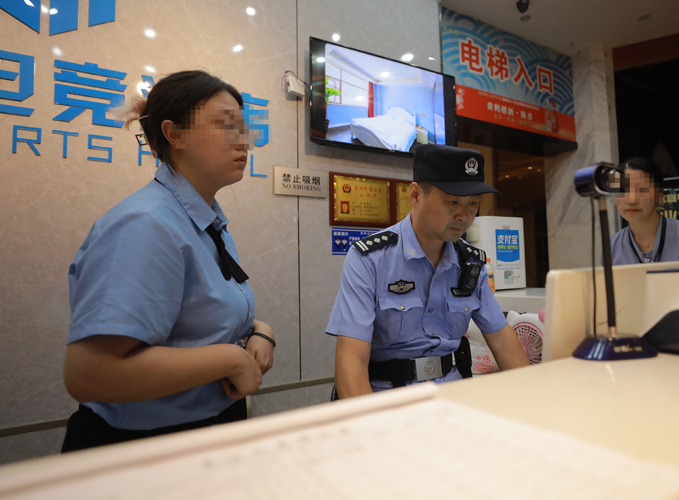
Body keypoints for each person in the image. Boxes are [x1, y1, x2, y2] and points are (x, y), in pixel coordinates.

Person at [62, 70, 276, 452]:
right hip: (140, 450)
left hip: (205, 433)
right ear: (174, 134)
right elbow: (90, 374)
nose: (245, 140)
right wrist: (228, 358)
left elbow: (191, 318)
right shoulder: (145, 224)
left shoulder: (204, 220)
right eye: (226, 126)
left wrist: (260, 329)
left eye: (244, 127)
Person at [326, 144, 530, 399]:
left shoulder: (470, 263)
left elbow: (501, 338)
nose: (464, 216)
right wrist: (372, 429)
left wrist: (532, 398)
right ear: (416, 195)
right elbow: (351, 359)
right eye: (453, 201)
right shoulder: (370, 259)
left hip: (452, 395)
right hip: (386, 396)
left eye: (472, 204)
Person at [610, 157, 679, 265]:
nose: (632, 200)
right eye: (623, 190)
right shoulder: (611, 248)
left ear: (659, 193)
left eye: (641, 190)